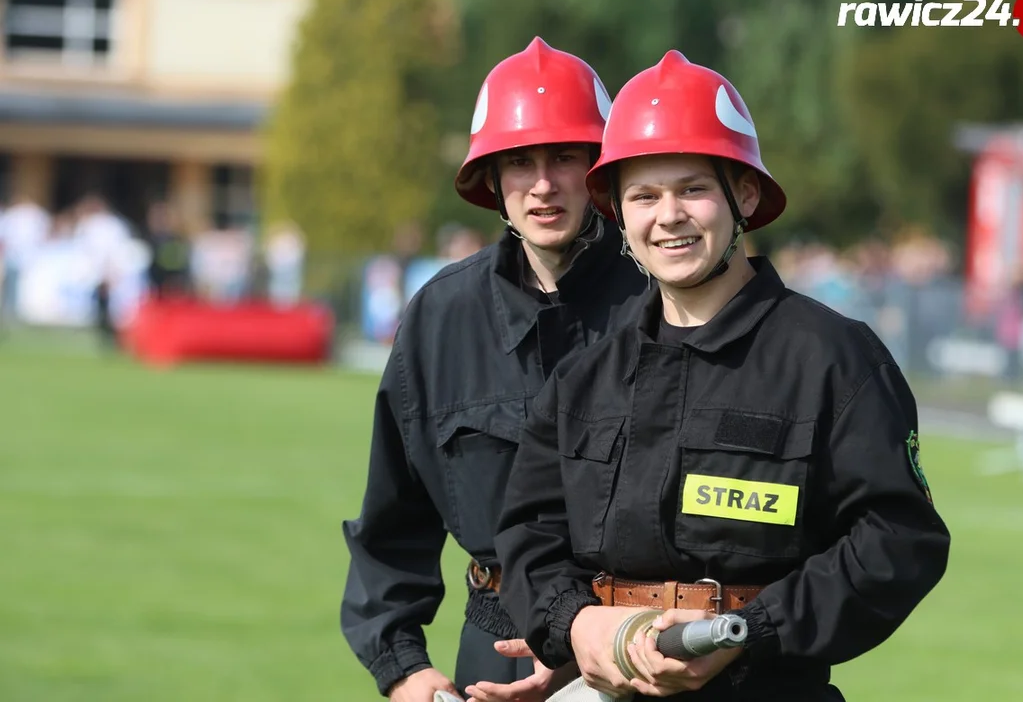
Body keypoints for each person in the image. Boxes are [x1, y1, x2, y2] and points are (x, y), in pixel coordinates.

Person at [494, 50, 951, 701]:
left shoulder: (832, 357)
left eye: (692, 189)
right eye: (644, 195)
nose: (668, 215)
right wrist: (576, 623)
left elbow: (898, 541)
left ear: (745, 194)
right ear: (619, 214)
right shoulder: (585, 377)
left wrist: (746, 631)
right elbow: (528, 533)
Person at [339, 37, 650, 702]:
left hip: (635, 650)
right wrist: (403, 668)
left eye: (565, 157)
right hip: (493, 652)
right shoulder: (440, 317)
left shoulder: (667, 306)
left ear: (601, 168)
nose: (542, 184)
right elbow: (393, 517)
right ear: (490, 179)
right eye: (519, 161)